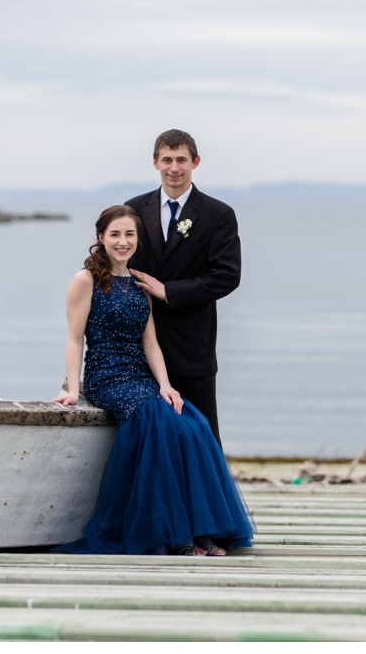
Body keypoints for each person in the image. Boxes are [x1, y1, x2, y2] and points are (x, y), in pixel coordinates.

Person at [50, 205, 254, 556]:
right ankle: (176, 538)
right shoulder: (85, 280)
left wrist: (165, 385)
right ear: (101, 237)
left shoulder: (139, 283)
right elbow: (74, 339)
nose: (123, 241)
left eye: (129, 234)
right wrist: (71, 388)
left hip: (141, 377)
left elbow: (151, 344)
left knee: (191, 423)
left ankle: (202, 529)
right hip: (107, 377)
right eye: (115, 234)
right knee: (157, 421)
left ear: (137, 240)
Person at [125, 129, 241, 448]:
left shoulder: (218, 214)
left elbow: (227, 275)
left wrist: (169, 291)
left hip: (192, 347)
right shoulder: (132, 209)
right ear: (155, 163)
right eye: (167, 159)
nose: (173, 167)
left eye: (181, 160)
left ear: (195, 162)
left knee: (201, 437)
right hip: (138, 346)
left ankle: (206, 498)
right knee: (148, 439)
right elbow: (118, 264)